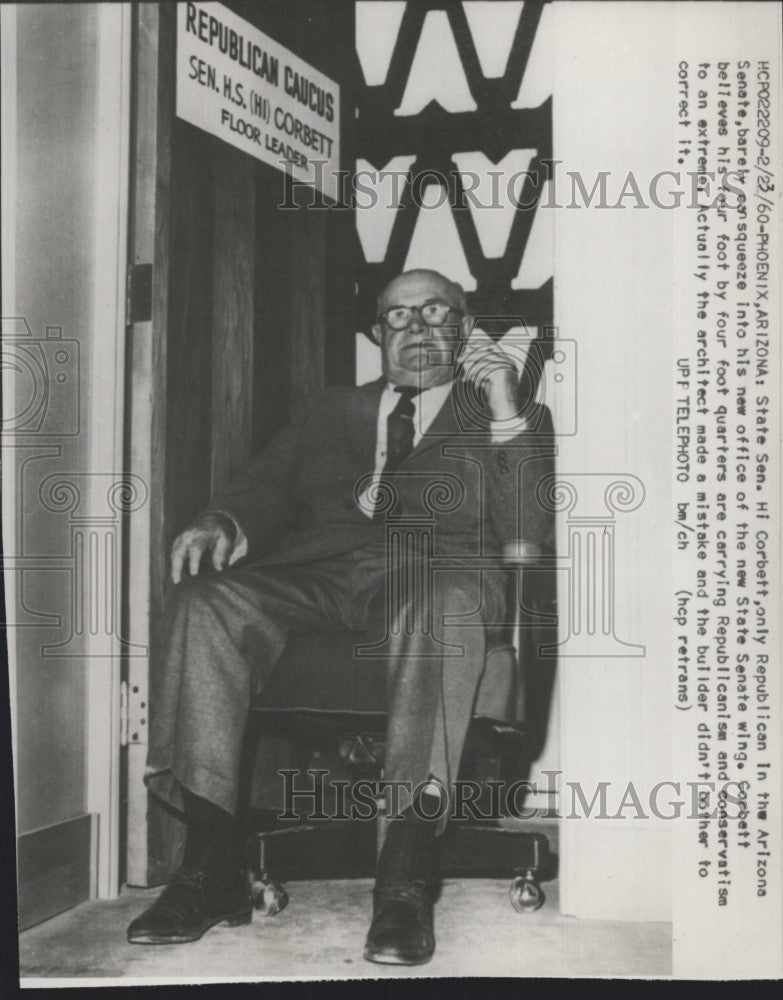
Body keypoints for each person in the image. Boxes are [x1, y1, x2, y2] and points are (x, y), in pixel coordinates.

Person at [127, 268, 552, 964]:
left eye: (436, 312)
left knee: (441, 607)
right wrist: (221, 521)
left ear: (465, 327)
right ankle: (208, 869)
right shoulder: (328, 410)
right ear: (376, 334)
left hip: (435, 575)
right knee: (206, 600)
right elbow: (263, 486)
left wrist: (503, 402)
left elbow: (528, 528)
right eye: (397, 317)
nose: (415, 328)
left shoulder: (503, 416)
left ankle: (404, 881)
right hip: (321, 575)